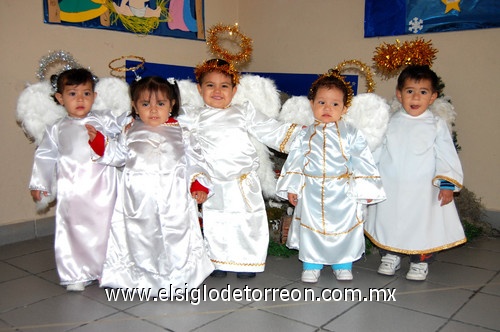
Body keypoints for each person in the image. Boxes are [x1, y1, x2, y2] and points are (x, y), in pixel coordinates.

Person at [179, 59, 300, 279]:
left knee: (248, 221)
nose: (217, 91)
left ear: (234, 90)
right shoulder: (193, 115)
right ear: (199, 88)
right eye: (210, 85)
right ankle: (217, 260)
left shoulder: (244, 112)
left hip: (243, 182)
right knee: (216, 222)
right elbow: (172, 130)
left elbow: (271, 130)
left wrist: (303, 137)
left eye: (224, 86)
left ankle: (247, 262)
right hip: (212, 182)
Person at [93, 76, 214, 294]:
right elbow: (118, 156)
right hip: (138, 199)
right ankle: (139, 277)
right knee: (141, 237)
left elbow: (195, 161)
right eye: (145, 104)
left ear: (172, 104)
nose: (153, 110)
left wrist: (199, 183)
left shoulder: (182, 133)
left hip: (173, 197)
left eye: (160, 104)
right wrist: (100, 143)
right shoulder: (130, 131)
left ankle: (177, 279)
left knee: (174, 237)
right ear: (135, 106)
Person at [276, 71, 386, 283]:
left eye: (335, 104)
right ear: (312, 104)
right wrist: (293, 186)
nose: (327, 108)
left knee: (344, 228)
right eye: (322, 102)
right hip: (312, 190)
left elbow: (362, 161)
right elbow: (296, 162)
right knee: (312, 228)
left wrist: (367, 189)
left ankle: (343, 263)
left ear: (345, 108)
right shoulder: (305, 134)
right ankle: (311, 264)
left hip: (343, 191)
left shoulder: (351, 133)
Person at [29, 68, 129, 291]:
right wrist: (40, 183)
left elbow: (126, 122)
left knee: (106, 230)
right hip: (72, 191)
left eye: (86, 93)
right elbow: (45, 156)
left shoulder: (103, 120)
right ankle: (75, 272)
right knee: (72, 230)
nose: (80, 99)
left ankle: (108, 270)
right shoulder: (56, 129)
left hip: (104, 189)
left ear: (94, 96)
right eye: (73, 94)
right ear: (60, 98)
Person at [365, 65, 466, 281]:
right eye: (410, 91)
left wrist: (447, 185)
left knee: (423, 226)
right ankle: (390, 254)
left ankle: (420, 262)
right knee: (389, 221)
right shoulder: (390, 122)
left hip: (423, 190)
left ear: (432, 97)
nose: (416, 97)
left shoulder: (436, 125)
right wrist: (368, 178)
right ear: (399, 94)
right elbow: (377, 150)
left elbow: (446, 156)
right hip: (391, 186)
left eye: (423, 92)